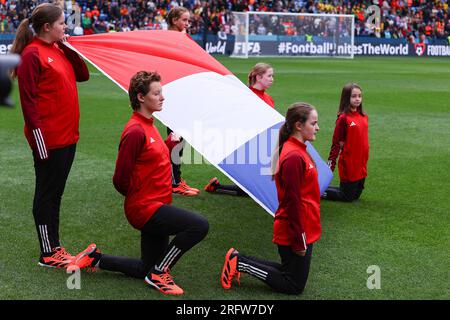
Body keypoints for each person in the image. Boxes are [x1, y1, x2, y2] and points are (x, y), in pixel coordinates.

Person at [69, 71, 209, 296]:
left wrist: (170, 145)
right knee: (198, 225)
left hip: (155, 204)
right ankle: (160, 273)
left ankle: (96, 259)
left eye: (161, 92)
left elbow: (152, 159)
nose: (162, 98)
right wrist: (138, 197)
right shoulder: (135, 130)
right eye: (156, 93)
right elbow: (120, 178)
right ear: (141, 97)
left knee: (145, 267)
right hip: (146, 208)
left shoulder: (149, 125)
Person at [11, 3, 89, 268]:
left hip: (68, 137)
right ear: (47, 27)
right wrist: (38, 140)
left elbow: (83, 75)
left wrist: (68, 47)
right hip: (50, 140)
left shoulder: (57, 48)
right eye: (61, 23)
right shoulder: (32, 54)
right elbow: (29, 103)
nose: (65, 27)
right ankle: (47, 252)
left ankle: (54, 247)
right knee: (46, 194)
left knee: (55, 194)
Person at [221, 102, 321, 295]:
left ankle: (237, 259)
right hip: (295, 228)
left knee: (289, 272)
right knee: (293, 284)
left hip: (304, 225)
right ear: (299, 125)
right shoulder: (293, 155)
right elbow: (292, 203)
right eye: (313, 123)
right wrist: (299, 239)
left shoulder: (299, 149)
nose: (317, 127)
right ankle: (239, 262)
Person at [204, 62, 275, 196]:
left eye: (272, 76)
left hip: (265, 145)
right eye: (269, 76)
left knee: (262, 187)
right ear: (259, 77)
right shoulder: (247, 97)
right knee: (254, 190)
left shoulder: (268, 98)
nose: (272, 79)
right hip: (250, 146)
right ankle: (216, 187)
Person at [165, 6, 200, 196]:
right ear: (174, 21)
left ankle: (176, 179)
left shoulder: (179, 37)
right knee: (176, 139)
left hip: (181, 95)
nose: (187, 24)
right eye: (184, 20)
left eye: (188, 21)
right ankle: (174, 181)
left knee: (180, 139)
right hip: (174, 96)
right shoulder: (171, 39)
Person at [321, 83, 369, 202]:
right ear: (346, 98)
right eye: (353, 96)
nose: (357, 99)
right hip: (350, 163)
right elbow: (336, 144)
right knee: (346, 197)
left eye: (359, 96)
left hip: (361, 163)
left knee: (355, 195)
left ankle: (322, 189)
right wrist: (330, 166)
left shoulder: (363, 116)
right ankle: (316, 190)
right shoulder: (343, 118)